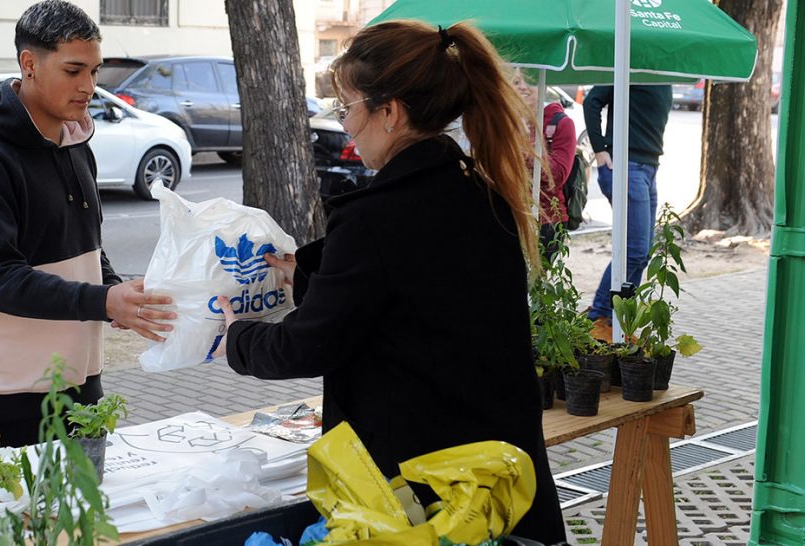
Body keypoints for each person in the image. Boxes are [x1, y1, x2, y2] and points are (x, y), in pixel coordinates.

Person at [213, 21, 566, 543]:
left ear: (390, 112)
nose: (347, 126)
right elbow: (409, 301)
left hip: (428, 494)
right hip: (501, 475)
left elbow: (307, 345)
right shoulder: (479, 190)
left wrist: (237, 335)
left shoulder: (377, 218)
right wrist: (307, 272)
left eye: (347, 108)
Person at [0, 0, 174, 448]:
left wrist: (119, 293)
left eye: (95, 72)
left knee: (82, 516)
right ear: (30, 64)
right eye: (74, 70)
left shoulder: (76, 143)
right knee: (26, 519)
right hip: (0, 390)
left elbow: (84, 247)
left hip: (78, 379)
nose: (89, 86)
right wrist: (102, 301)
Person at [583, 84, 673, 341]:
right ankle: (599, 318)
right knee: (633, 251)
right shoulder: (630, 59)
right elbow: (592, 101)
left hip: (648, 167)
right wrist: (599, 150)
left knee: (642, 253)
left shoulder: (661, 66)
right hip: (626, 165)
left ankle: (619, 321)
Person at [513, 70, 577, 264]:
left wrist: (527, 142)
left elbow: (556, 175)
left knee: (535, 287)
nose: (523, 86)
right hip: (511, 216)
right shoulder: (504, 122)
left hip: (547, 220)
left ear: (543, 86)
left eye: (530, 80)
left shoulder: (561, 123)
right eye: (516, 82)